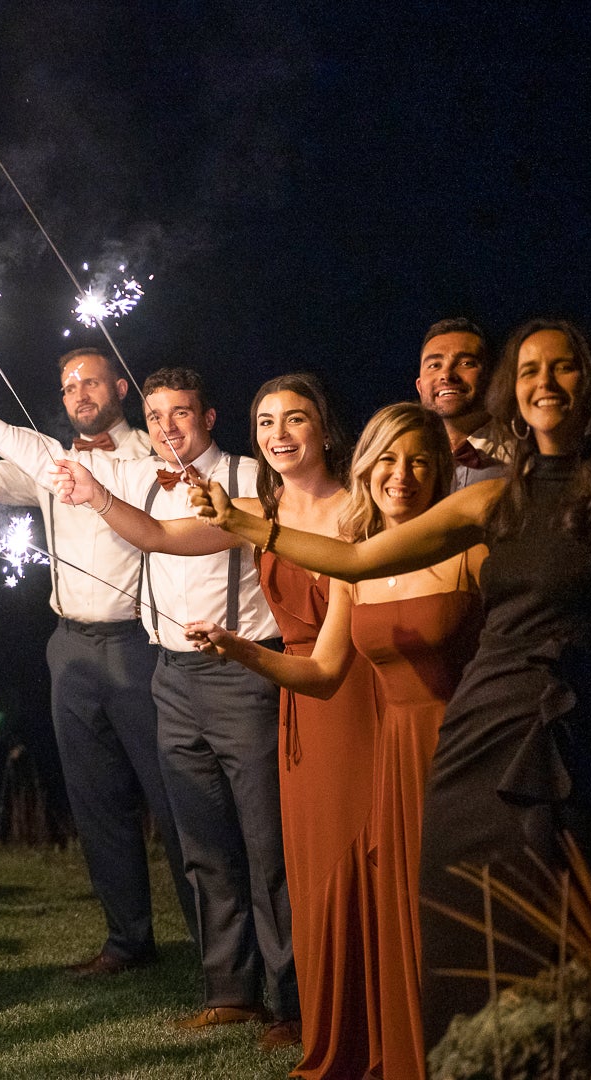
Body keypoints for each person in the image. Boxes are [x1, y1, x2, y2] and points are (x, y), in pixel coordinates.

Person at [190, 319, 591, 1051]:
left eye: (563, 368)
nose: (545, 384)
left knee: (584, 905)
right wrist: (245, 525)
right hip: (483, 728)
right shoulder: (494, 502)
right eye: (529, 372)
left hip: (579, 717)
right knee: (474, 908)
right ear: (510, 393)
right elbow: (358, 563)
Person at [186, 402, 486, 1080]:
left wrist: (243, 521)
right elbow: (321, 674)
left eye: (416, 461)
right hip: (395, 758)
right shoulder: (358, 567)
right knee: (400, 913)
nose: (399, 475)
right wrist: (240, 650)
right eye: (385, 460)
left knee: (453, 916)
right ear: (365, 469)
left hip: (460, 749)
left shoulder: (472, 551)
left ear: (438, 470)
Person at [0, 348, 196, 977]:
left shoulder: (151, 456)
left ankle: (219, 948)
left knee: (173, 796)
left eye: (91, 383)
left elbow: (23, 448)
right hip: (69, 646)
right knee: (95, 797)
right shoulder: (52, 465)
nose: (78, 393)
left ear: (120, 389)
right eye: (68, 384)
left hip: (139, 645)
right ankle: (128, 942)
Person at [37, 367, 299, 1047]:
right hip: (169, 678)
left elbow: (163, 537)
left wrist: (95, 497)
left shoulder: (247, 477)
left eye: (179, 413)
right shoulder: (137, 474)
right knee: (202, 847)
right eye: (155, 416)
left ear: (208, 417)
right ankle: (230, 993)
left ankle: (295, 999)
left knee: (266, 846)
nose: (166, 427)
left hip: (241, 673)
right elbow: (37, 462)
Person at [415, 317, 508, 488]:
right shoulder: (401, 463)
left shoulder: (524, 458)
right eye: (435, 365)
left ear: (494, 379)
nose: (447, 375)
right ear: (420, 387)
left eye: (466, 363)